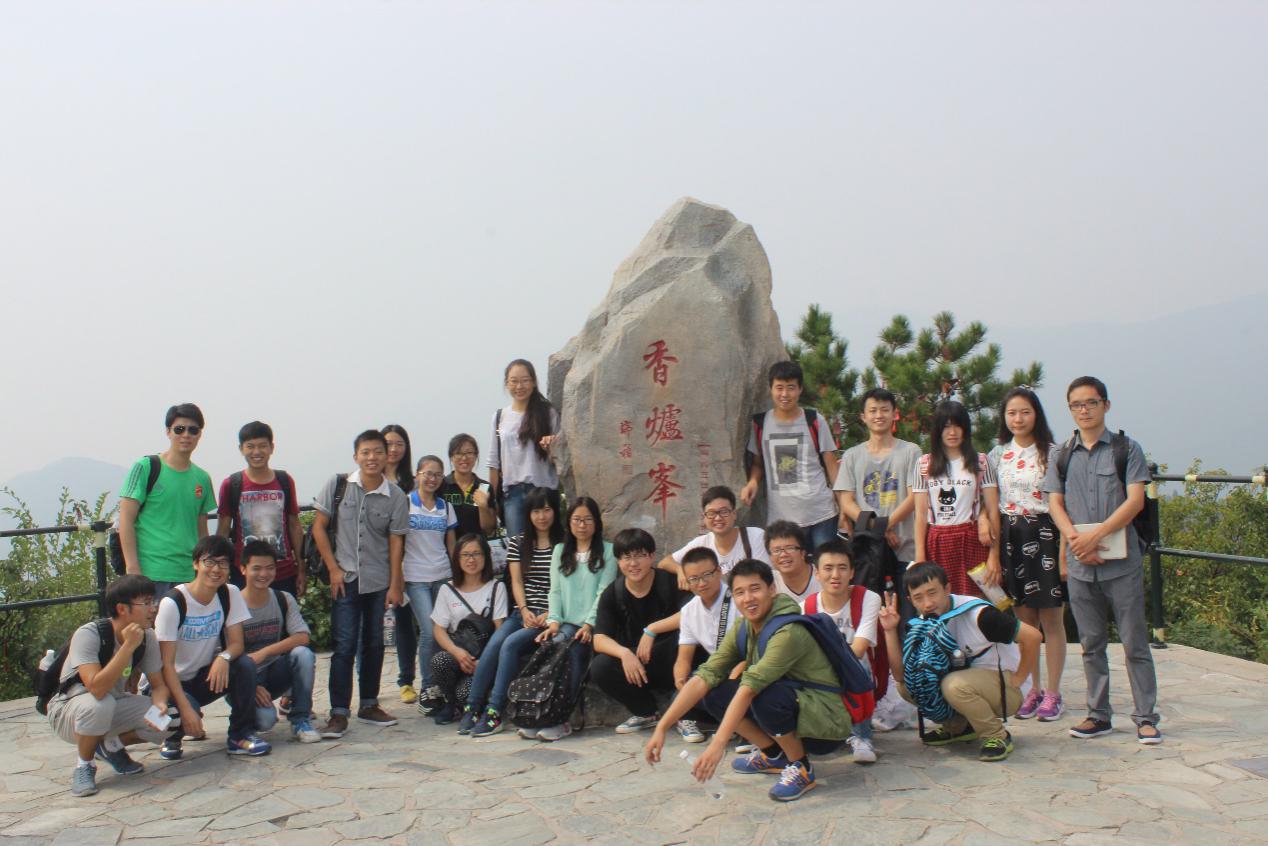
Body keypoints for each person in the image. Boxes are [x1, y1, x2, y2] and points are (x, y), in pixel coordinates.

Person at [644, 559, 854, 802]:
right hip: (796, 705)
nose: (748, 598)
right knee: (713, 692)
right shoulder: (744, 626)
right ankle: (775, 755)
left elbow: (749, 689)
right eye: (740, 592)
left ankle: (801, 767)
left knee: (765, 696)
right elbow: (705, 675)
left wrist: (717, 745)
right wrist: (662, 727)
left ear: (772, 589)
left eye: (755, 589)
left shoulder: (788, 632)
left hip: (825, 723)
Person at [1044, 376, 1161, 745]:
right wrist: (1075, 540)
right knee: (1091, 643)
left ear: (1106, 405)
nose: (1084, 410)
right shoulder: (1061, 454)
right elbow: (1054, 503)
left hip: (1122, 563)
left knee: (1134, 642)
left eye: (1091, 403)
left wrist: (1095, 536)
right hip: (1081, 564)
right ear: (1070, 409)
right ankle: (1098, 715)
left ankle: (1146, 717)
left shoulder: (1127, 449)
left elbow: (1135, 501)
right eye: (1076, 405)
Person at [879, 562, 1041, 762]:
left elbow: (1033, 637)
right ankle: (958, 727)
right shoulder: (925, 622)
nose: (927, 603)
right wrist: (889, 630)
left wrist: (1019, 679)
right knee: (908, 685)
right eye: (918, 597)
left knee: (953, 684)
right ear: (910, 600)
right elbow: (900, 676)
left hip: (1006, 688)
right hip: (969, 684)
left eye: (932, 593)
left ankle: (996, 735)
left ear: (947, 588)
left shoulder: (979, 614)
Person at [311, 429, 409, 739]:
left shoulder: (396, 496)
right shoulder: (338, 485)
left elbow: (396, 542)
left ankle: (369, 704)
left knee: (374, 643)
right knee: (344, 645)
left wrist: (396, 584)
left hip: (378, 580)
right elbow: (319, 528)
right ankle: (339, 712)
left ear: (386, 455)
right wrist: (333, 569)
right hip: (346, 578)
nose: (372, 457)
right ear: (356, 456)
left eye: (378, 451)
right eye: (365, 452)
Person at [45, 575, 173, 797]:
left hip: (112, 705)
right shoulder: (89, 634)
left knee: (170, 719)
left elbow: (158, 685)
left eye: (154, 601)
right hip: (68, 712)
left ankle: (110, 746)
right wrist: (127, 647)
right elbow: (96, 688)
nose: (153, 609)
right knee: (100, 704)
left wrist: (160, 703)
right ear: (122, 609)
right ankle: (84, 766)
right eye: (146, 603)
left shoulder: (147, 636)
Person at [986, 387, 1067, 722]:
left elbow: (1063, 503)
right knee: (1024, 620)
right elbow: (989, 502)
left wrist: (1064, 551)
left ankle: (1054, 692)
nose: (1018, 419)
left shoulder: (1055, 452)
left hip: (1046, 533)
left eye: (1025, 412)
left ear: (1037, 415)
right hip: (1010, 536)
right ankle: (1032, 690)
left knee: (1052, 618)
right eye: (1012, 413)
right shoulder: (996, 455)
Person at [154, 535, 270, 759]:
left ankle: (240, 735)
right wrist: (186, 710)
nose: (216, 569)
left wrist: (223, 658)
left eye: (223, 563)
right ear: (196, 564)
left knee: (243, 664)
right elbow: (165, 665)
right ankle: (170, 736)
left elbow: (237, 644)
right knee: (177, 716)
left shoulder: (229, 593)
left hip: (200, 678)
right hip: (167, 684)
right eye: (209, 562)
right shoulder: (173, 602)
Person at [462, 486, 563, 737]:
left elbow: (564, 585)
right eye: (536, 511)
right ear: (528, 514)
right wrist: (525, 609)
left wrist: (550, 612)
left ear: (555, 511)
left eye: (546, 510)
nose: (541, 516)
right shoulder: (519, 542)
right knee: (494, 645)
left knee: (509, 645)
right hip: (523, 612)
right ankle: (472, 707)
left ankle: (494, 711)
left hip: (550, 616)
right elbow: (516, 582)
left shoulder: (563, 544)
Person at [528, 496, 617, 742]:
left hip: (595, 625)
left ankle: (560, 720)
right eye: (577, 519)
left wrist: (589, 624)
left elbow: (604, 592)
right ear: (569, 523)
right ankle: (538, 715)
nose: (582, 525)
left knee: (575, 654)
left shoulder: (608, 552)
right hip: (566, 624)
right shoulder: (560, 551)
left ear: (596, 523)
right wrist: (553, 622)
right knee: (550, 649)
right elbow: (554, 591)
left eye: (588, 519)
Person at [591, 529, 693, 738]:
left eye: (639, 556)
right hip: (639, 667)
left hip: (673, 660)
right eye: (626, 557)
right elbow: (599, 638)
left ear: (652, 556)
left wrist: (652, 630)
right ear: (618, 561)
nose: (633, 563)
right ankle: (646, 712)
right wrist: (624, 654)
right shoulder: (614, 592)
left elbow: (693, 613)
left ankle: (687, 712)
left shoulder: (669, 582)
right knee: (600, 666)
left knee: (691, 644)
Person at [117, 403, 217, 597]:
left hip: (190, 575)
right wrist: (133, 569)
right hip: (151, 573)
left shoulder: (202, 478)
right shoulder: (146, 467)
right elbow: (125, 520)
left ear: (199, 434)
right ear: (168, 432)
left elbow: (202, 531)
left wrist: (206, 569)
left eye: (193, 430)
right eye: (179, 429)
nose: (186, 435)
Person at [742, 361, 841, 551]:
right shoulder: (761, 424)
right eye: (779, 388)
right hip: (782, 520)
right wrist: (753, 482)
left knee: (825, 566)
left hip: (821, 514)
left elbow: (832, 466)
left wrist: (843, 507)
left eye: (791, 388)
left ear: (800, 389)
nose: (785, 394)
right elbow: (758, 463)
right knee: (786, 567)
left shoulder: (814, 420)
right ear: (771, 389)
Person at [802, 539, 880, 763]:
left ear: (852, 572)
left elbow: (859, 649)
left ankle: (861, 736)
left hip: (858, 673)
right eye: (828, 568)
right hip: (821, 676)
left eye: (842, 568)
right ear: (817, 573)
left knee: (857, 664)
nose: (835, 575)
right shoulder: (806, 607)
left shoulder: (868, 599)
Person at [913, 401, 1000, 597]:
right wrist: (920, 555)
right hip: (937, 541)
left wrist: (994, 555)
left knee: (976, 603)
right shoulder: (924, 464)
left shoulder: (981, 462)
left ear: (966, 428)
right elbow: (920, 514)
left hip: (971, 539)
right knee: (940, 602)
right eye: (946, 426)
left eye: (957, 426)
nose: (952, 432)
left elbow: (993, 509)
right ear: (938, 430)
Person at [237, 540, 321, 743]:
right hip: (242, 679)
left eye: (270, 568)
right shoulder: (232, 605)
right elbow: (225, 653)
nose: (263, 574)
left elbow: (302, 636)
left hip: (274, 670)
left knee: (303, 655)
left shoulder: (283, 599)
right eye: (256, 568)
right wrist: (252, 685)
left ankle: (300, 719)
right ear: (243, 569)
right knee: (265, 722)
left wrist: (264, 653)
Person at [396, 455, 458, 714]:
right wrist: (396, 577)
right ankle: (428, 687)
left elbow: (451, 543)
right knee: (430, 631)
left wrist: (456, 575)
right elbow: (396, 542)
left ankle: (443, 684)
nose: (432, 479)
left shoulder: (445, 507)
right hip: (415, 577)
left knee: (444, 629)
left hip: (442, 575)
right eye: (427, 473)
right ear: (417, 475)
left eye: (437, 474)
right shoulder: (405, 503)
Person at [834, 388, 922, 562]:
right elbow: (846, 502)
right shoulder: (852, 456)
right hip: (867, 550)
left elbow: (914, 498)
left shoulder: (911, 451)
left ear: (895, 414)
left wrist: (883, 526)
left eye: (884, 410)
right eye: (873, 411)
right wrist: (879, 529)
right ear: (863, 416)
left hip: (905, 547)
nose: (879, 415)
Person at [217, 421, 304, 596]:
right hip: (244, 573)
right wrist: (221, 568)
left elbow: (294, 525)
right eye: (250, 446)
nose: (256, 452)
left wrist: (301, 568)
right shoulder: (232, 484)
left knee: (284, 612)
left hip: (284, 572)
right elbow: (223, 531)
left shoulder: (284, 481)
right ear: (241, 449)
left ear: (271, 447)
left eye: (262, 446)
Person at [429, 534, 509, 724]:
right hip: (457, 654)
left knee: (465, 693)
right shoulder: (447, 589)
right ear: (457, 558)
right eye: (465, 555)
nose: (471, 559)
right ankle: (450, 703)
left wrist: (484, 661)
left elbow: (500, 629)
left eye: (476, 554)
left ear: (486, 556)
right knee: (440, 661)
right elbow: (439, 629)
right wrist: (457, 652)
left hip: (484, 656)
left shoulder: (496, 587)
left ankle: (465, 702)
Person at [487, 359, 560, 539]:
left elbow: (559, 459)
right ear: (506, 383)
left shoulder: (548, 413)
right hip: (513, 494)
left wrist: (551, 447)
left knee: (546, 545)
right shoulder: (499, 417)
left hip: (543, 491)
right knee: (517, 547)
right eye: (514, 381)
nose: (519, 386)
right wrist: (493, 500)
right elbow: (494, 462)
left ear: (534, 382)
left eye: (525, 380)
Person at [670, 547, 734, 744]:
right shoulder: (689, 610)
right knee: (680, 696)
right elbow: (683, 658)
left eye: (707, 575)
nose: (702, 583)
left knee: (718, 692)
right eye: (694, 579)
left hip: (744, 668)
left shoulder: (738, 598)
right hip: (715, 672)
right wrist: (681, 680)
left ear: (719, 571)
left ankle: (741, 728)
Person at [658, 486, 769, 589]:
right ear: (704, 517)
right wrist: (680, 570)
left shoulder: (755, 536)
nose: (718, 518)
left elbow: (766, 577)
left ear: (734, 514)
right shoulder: (702, 543)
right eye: (711, 513)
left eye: (724, 512)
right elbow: (664, 563)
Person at [380, 425, 419, 704]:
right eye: (388, 444)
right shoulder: (369, 480)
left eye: (399, 444)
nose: (393, 449)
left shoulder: (412, 484)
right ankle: (368, 685)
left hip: (405, 561)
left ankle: (406, 681)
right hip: (374, 562)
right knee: (370, 626)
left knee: (405, 624)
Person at [438, 433, 498, 541]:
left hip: (476, 548)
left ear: (476, 456)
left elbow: (489, 530)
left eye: (469, 453)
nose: (464, 458)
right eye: (458, 453)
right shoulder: (442, 485)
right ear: (451, 457)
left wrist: (483, 506)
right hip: (447, 548)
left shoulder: (484, 487)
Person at [765, 521, 821, 603]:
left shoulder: (822, 576)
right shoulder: (769, 582)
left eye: (790, 548)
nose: (783, 554)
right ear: (770, 557)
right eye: (776, 550)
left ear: (803, 553)